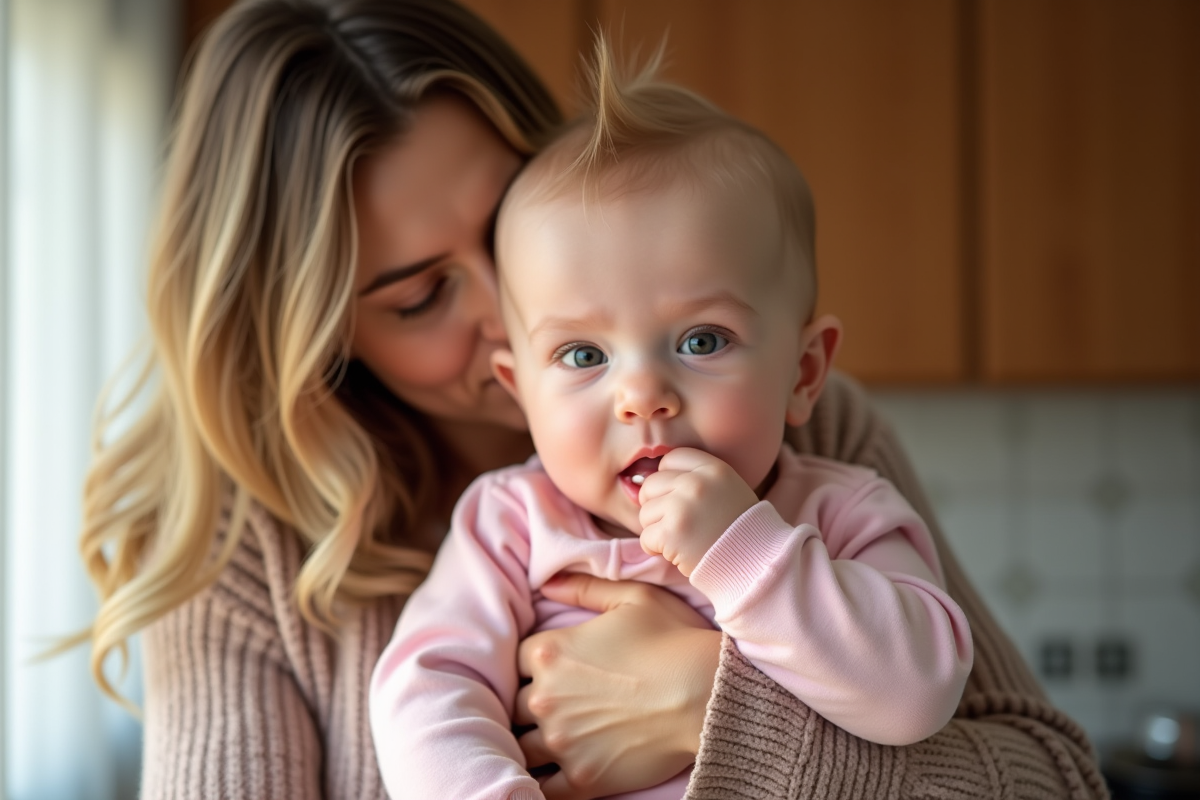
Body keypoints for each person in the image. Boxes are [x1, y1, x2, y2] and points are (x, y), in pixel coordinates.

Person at [74, 0, 1109, 798]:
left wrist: (722, 716)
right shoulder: (247, 558)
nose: (514, 312)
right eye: (425, 293)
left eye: (514, 225)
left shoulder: (793, 441)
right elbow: (426, 693)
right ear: (316, 334)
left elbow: (1059, 778)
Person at [369, 39, 976, 800]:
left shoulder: (847, 515)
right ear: (519, 391)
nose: (642, 396)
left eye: (701, 341)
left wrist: (740, 549)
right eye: (584, 354)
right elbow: (428, 696)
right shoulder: (509, 528)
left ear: (804, 372)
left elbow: (915, 696)